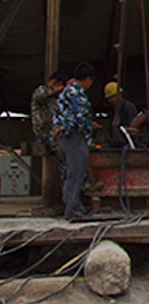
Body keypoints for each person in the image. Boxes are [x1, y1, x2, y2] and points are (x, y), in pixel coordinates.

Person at [52, 62, 96, 221]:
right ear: (88, 79)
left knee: (74, 173)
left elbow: (59, 114)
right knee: (75, 174)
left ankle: (75, 205)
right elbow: (76, 114)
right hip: (73, 138)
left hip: (68, 137)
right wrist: (78, 126)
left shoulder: (67, 91)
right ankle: (71, 209)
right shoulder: (76, 93)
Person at [31, 71, 68, 152]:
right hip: (43, 130)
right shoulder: (42, 90)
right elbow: (39, 96)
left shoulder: (56, 99)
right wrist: (54, 90)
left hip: (54, 130)